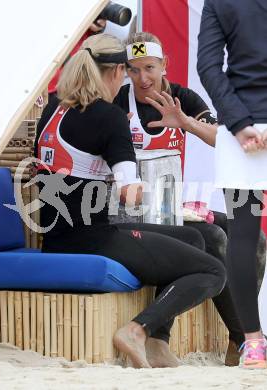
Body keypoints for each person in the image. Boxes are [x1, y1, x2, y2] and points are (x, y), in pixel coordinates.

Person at [34, 33, 226, 368]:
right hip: (94, 240)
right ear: (113, 74)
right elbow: (130, 191)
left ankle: (157, 342)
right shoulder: (108, 117)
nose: (134, 80)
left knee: (194, 237)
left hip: (54, 237)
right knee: (212, 271)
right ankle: (137, 330)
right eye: (128, 73)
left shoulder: (53, 107)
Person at [113, 31, 265, 367]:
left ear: (165, 65)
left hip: (169, 207)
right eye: (134, 70)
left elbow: (223, 141)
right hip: (131, 212)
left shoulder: (183, 97)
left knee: (254, 238)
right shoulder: (118, 102)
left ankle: (239, 340)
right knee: (211, 237)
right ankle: (242, 340)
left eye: (150, 67)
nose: (143, 78)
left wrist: (186, 123)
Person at [197, 0, 267, 369]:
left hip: (241, 133)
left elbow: (208, 67)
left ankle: (252, 343)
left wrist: (239, 123)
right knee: (242, 235)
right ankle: (253, 341)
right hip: (244, 132)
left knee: (242, 234)